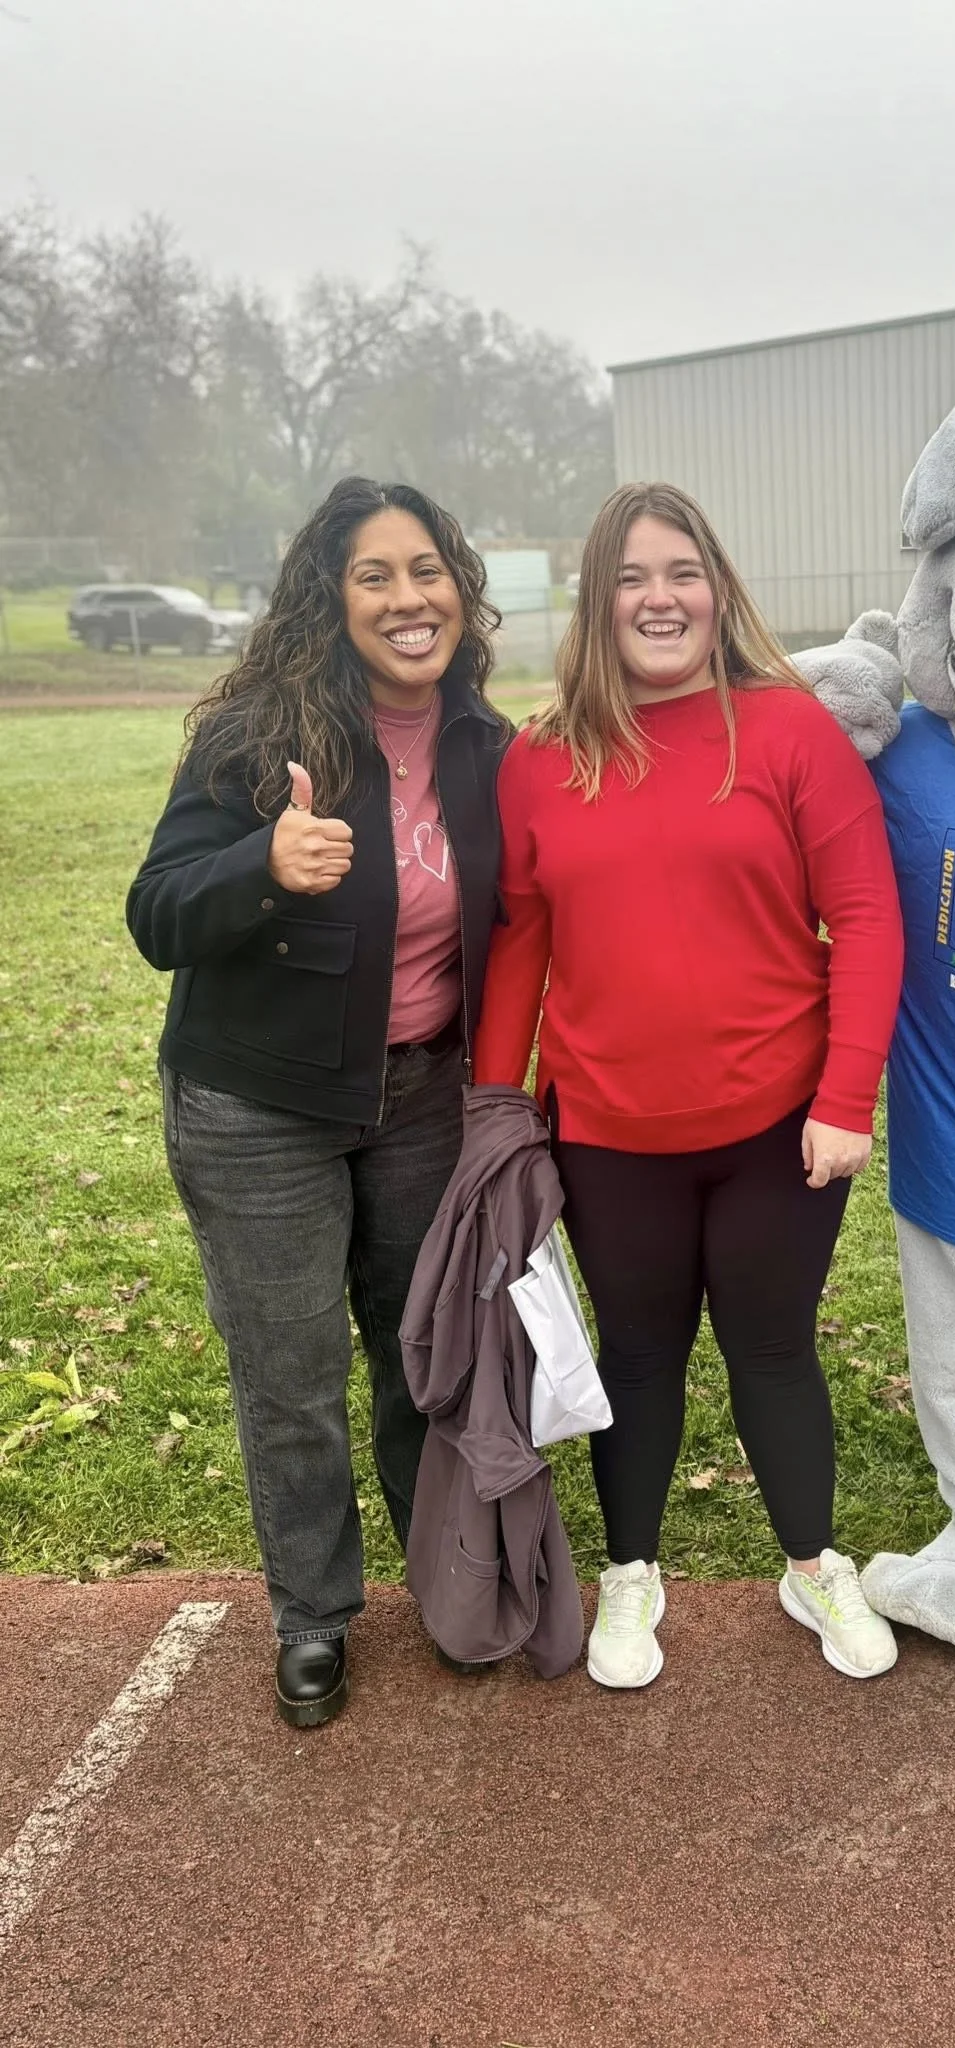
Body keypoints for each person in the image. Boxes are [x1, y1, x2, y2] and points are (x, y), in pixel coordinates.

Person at [474, 482, 904, 1689]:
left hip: (780, 1125)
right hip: (609, 1131)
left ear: (718, 589)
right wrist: (497, 1107)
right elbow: (519, 938)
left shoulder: (787, 729)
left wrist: (845, 1099)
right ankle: (631, 1573)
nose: (658, 598)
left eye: (680, 572)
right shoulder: (543, 755)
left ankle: (813, 1560)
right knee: (641, 1353)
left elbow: (866, 914)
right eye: (630, 577)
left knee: (772, 1347)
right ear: (597, 601)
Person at [127, 478, 510, 1728]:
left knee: (423, 1362)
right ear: (329, 599)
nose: (409, 598)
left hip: (420, 1101)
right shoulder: (256, 736)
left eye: (427, 570)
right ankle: (314, 1613)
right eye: (375, 575)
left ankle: (449, 1584)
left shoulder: (486, 746)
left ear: (460, 587)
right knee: (291, 1379)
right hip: (258, 1110)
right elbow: (158, 911)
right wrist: (262, 865)